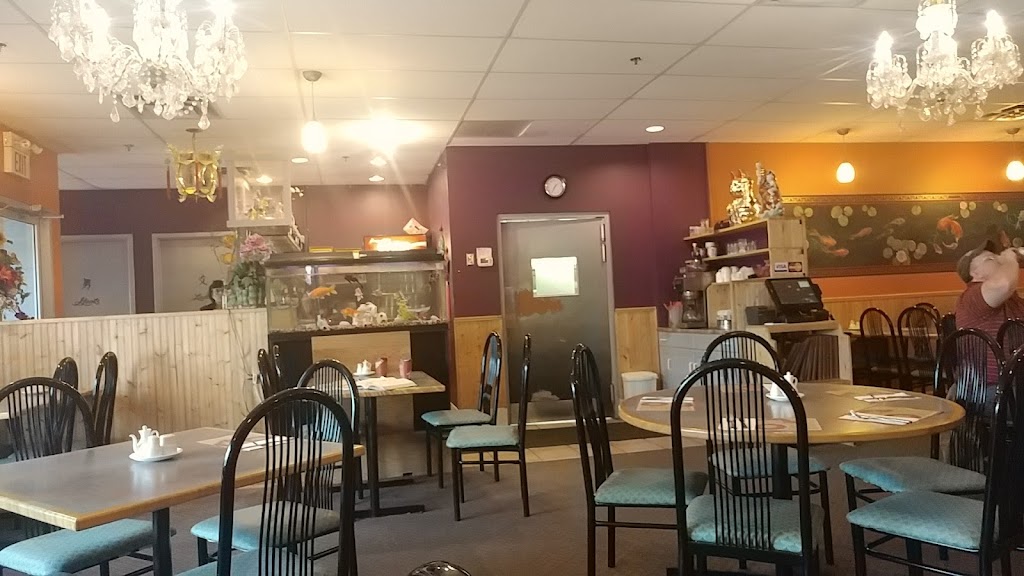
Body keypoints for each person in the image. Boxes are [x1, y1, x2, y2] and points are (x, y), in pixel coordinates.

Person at [954, 239, 1024, 380]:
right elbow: (1003, 284)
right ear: (975, 273)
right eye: (989, 259)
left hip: (1015, 382)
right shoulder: (972, 296)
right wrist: (1010, 259)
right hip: (990, 387)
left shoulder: (1010, 299)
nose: (998, 258)